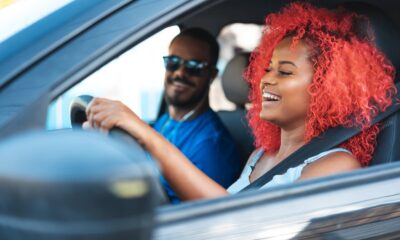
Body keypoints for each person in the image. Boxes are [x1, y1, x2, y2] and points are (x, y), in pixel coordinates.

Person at [85, 3, 397, 201]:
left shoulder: (335, 166)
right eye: (268, 68)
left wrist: (146, 136)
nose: (266, 80)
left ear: (326, 87)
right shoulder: (262, 153)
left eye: (285, 71)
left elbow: (237, 226)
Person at [86, 28, 242, 203]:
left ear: (211, 75)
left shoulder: (212, 147)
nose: (179, 73)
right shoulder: (167, 120)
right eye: (173, 62)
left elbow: (201, 218)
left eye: (194, 67)